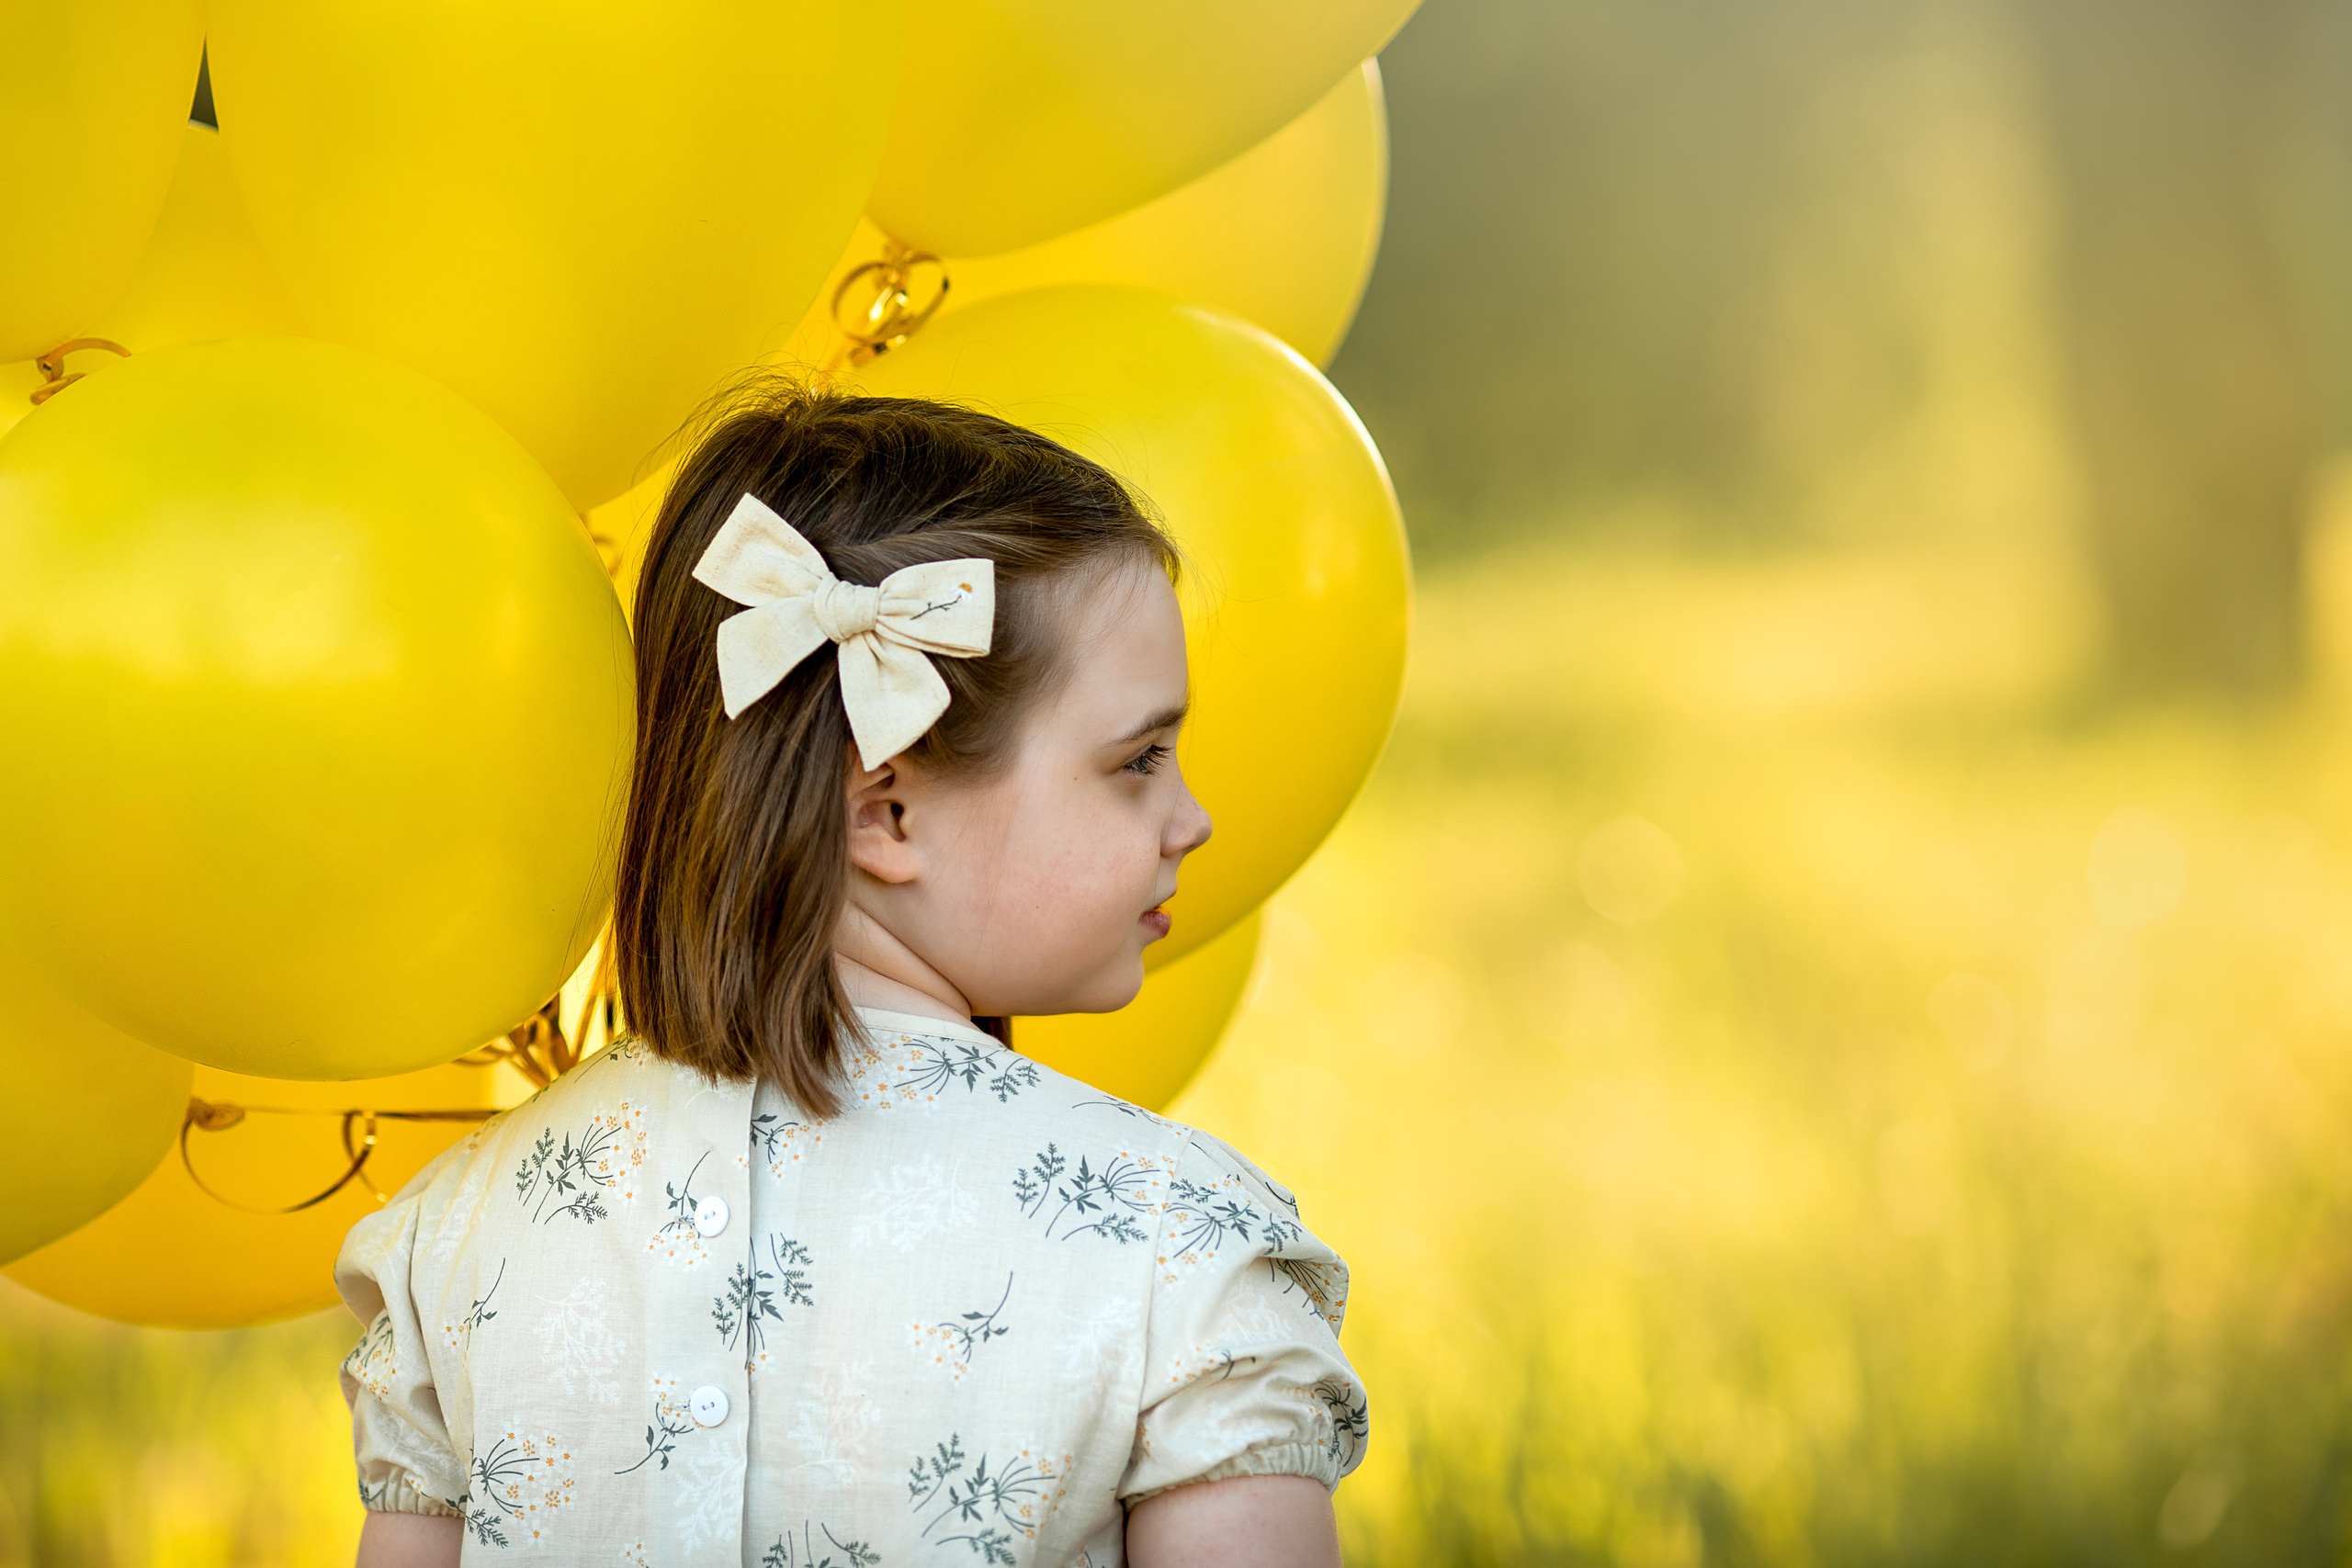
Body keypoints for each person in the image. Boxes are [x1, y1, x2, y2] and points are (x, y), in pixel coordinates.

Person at [338, 388, 1367, 1567]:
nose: (1191, 819)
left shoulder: (455, 1243)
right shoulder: (1176, 1257)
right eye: (1136, 759)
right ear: (885, 809)